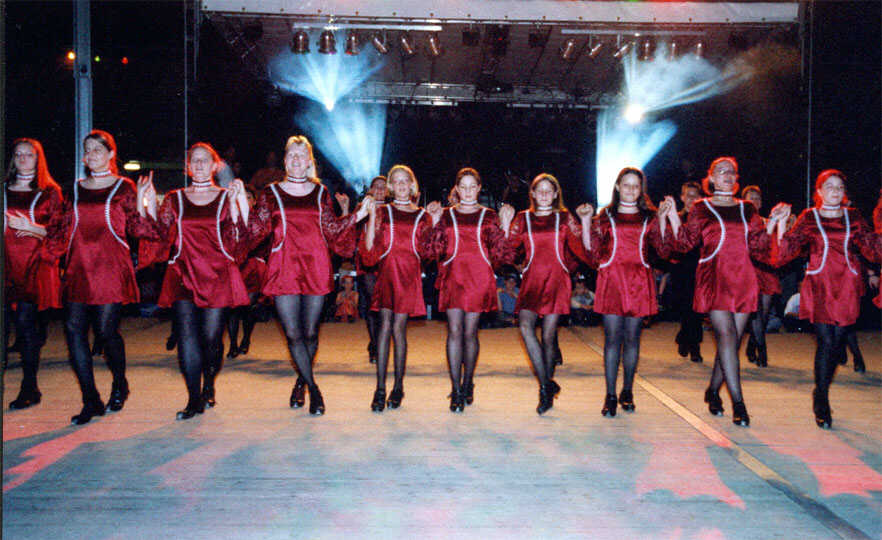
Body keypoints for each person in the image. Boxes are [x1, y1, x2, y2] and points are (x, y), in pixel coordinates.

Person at [246, 135, 373, 415]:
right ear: (285, 160)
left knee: (311, 332)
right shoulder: (271, 193)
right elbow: (255, 230)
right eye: (291, 154)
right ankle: (313, 388)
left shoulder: (320, 192)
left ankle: (301, 381)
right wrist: (239, 207)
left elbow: (332, 230)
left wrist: (357, 216)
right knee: (293, 334)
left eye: (301, 155)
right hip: (283, 269)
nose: (296, 159)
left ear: (309, 162)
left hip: (315, 267)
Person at [45, 130, 161, 424]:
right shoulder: (75, 189)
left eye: (98, 149)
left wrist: (146, 205)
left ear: (111, 154)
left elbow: (138, 229)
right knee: (73, 330)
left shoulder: (124, 187)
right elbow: (62, 229)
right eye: (88, 149)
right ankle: (90, 399)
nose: (92, 154)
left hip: (110, 267)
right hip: (79, 267)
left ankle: (120, 382)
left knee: (106, 332)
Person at [664, 157, 785, 427]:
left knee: (730, 342)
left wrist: (773, 223)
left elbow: (759, 247)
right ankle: (738, 403)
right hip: (714, 277)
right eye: (721, 172)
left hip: (743, 279)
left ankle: (712, 390)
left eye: (732, 172)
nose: (727, 176)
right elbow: (684, 244)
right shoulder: (701, 207)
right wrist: (672, 217)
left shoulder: (747, 208)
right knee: (727, 336)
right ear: (711, 178)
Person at [773, 170, 880, 428]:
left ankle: (821, 387)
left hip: (847, 285)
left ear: (844, 193)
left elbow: (873, 249)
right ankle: (821, 397)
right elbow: (786, 251)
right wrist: (780, 223)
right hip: (820, 284)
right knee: (826, 341)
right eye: (829, 186)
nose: (835, 191)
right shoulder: (809, 217)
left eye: (839, 187)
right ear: (819, 191)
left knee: (837, 342)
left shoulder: (853, 216)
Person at [151, 143, 250, 419]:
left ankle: (208, 382)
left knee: (211, 339)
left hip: (217, 274)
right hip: (183, 272)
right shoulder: (174, 198)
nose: (199, 164)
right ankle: (193, 399)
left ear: (215, 165)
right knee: (187, 338)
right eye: (194, 160)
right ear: (188, 166)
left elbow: (241, 238)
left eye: (204, 160)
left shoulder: (226, 197)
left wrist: (241, 204)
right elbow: (159, 233)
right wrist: (146, 205)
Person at [578, 167, 668, 417]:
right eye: (626, 185)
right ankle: (610, 395)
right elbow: (592, 252)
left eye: (635, 186)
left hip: (639, 281)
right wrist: (585, 222)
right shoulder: (606, 215)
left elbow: (663, 249)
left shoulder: (649, 216)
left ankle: (627, 390)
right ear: (617, 187)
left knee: (632, 339)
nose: (630, 189)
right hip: (612, 280)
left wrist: (664, 219)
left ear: (641, 190)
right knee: (611, 340)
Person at [499, 173, 589, 414]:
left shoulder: (564, 217)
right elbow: (507, 251)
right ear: (532, 194)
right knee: (525, 325)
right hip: (531, 280)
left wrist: (586, 222)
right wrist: (505, 224)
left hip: (557, 280)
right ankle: (547, 384)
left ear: (556, 193)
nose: (545, 194)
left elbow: (582, 247)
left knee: (549, 337)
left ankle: (544, 392)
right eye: (540, 190)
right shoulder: (523, 218)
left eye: (550, 190)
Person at [426, 168, 508, 412]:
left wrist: (504, 224)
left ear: (479, 188)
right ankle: (455, 389)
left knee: (470, 333)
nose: (468, 191)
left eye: (473, 186)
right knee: (454, 331)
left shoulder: (489, 215)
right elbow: (433, 250)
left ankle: (468, 381)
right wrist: (433, 221)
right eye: (464, 187)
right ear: (457, 189)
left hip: (478, 277)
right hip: (453, 276)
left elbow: (500, 254)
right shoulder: (446, 214)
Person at [360, 165, 435, 411]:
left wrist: (435, 222)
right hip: (387, 273)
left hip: (409, 276)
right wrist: (371, 217)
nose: (401, 185)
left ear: (412, 185)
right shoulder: (382, 211)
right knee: (384, 328)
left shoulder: (422, 215)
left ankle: (398, 386)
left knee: (399, 330)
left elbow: (429, 252)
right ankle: (380, 388)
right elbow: (368, 251)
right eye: (397, 181)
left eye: (406, 181)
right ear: (390, 186)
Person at [4, 138, 63, 409]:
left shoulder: (50, 192)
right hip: (6, 262)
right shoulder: (4, 189)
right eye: (18, 154)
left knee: (25, 327)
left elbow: (59, 233)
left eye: (29, 154)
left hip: (33, 264)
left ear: (38, 159)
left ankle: (30, 387)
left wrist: (30, 227)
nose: (23, 159)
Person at [227, 186, 268, 359]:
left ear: (254, 201)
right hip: (234, 267)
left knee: (248, 308)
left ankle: (246, 339)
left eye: (248, 197)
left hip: (253, 268)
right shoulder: (230, 218)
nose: (244, 200)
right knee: (232, 309)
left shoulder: (259, 220)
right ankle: (233, 344)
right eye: (240, 197)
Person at [741, 185, 780, 367]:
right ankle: (762, 350)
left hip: (767, 270)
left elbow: (776, 246)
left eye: (757, 198)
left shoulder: (768, 221)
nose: (754, 202)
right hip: (749, 269)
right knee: (755, 311)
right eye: (751, 198)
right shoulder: (741, 221)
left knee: (763, 314)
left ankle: (752, 345)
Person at [670, 181, 704, 363]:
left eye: (695, 196)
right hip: (681, 269)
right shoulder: (676, 218)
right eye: (688, 195)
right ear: (682, 197)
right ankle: (685, 337)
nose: (692, 199)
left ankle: (693, 345)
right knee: (686, 307)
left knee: (698, 308)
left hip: (701, 268)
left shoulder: (705, 219)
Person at [357, 176, 389, 364]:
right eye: (376, 187)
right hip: (367, 259)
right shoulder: (362, 207)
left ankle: (379, 341)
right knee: (372, 303)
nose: (379, 190)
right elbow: (351, 228)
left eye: (383, 187)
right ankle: (375, 343)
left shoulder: (392, 209)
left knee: (385, 304)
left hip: (386, 260)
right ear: (370, 189)